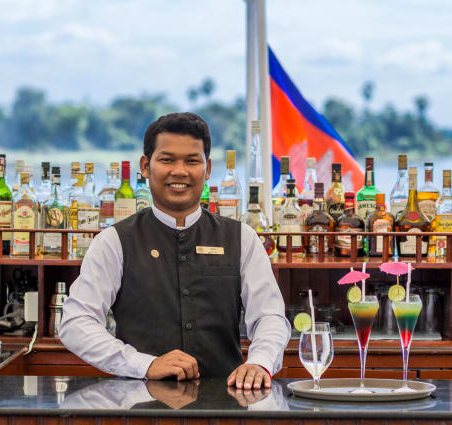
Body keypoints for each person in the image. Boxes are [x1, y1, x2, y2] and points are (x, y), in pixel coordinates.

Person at [59, 112, 290, 390]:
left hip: (226, 404)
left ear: (207, 169)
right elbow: (75, 321)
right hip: (138, 404)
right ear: (146, 166)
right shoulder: (114, 241)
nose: (179, 171)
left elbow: (269, 315)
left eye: (192, 161)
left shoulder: (242, 237)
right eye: (167, 160)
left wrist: (260, 362)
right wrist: (143, 364)